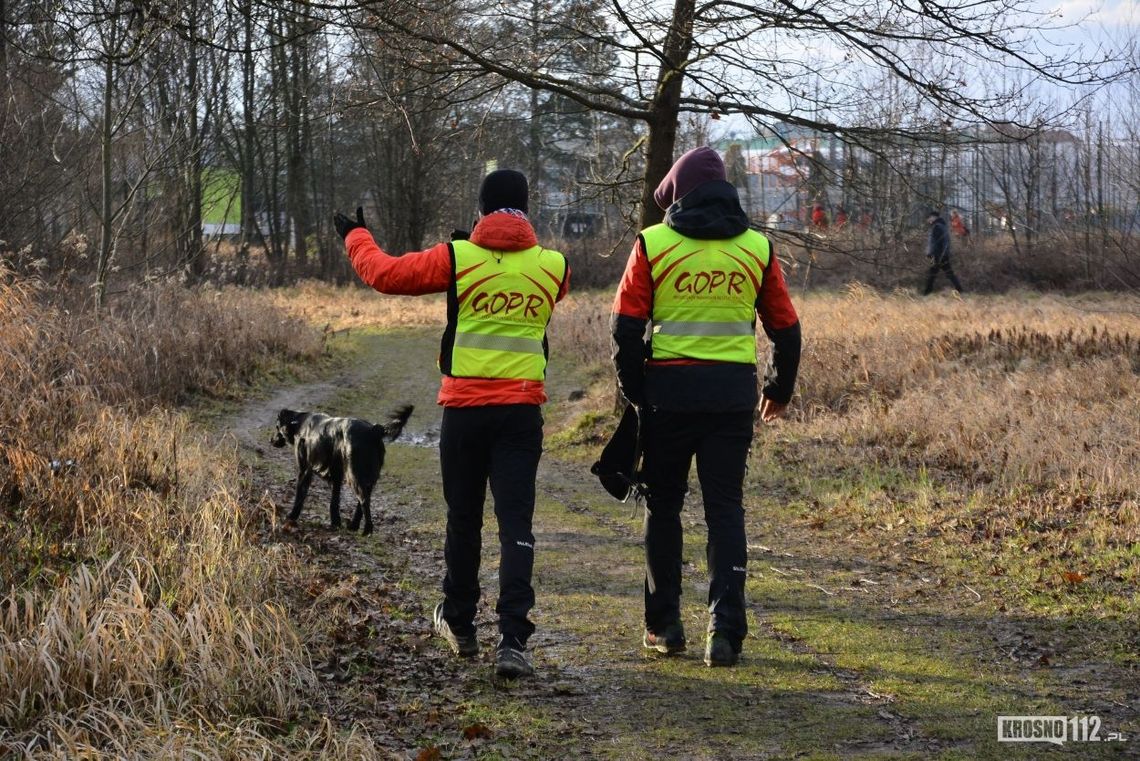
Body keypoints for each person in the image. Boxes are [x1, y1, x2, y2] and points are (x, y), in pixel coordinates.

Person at [334, 169, 569, 680]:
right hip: (521, 415)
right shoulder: (555, 266)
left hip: (464, 412)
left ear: (480, 210)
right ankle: (513, 640)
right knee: (516, 526)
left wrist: (356, 236)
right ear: (528, 209)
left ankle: (460, 623)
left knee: (463, 518)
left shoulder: (458, 257)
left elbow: (385, 275)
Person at [610, 146, 801, 667]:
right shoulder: (756, 248)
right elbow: (786, 327)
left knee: (663, 506)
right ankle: (725, 633)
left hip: (668, 398)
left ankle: (665, 626)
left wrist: (636, 393)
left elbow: (626, 328)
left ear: (679, 193)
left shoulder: (653, 244)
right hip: (732, 398)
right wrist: (778, 389)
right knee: (725, 509)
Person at [923, 209, 964, 295]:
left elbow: (944, 242)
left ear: (934, 217)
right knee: (942, 273)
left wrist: (939, 254)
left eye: (929, 218)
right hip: (939, 254)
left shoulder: (937, 226)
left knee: (934, 274)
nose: (928, 220)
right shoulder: (940, 225)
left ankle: (927, 292)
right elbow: (936, 242)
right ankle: (960, 290)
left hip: (938, 255)